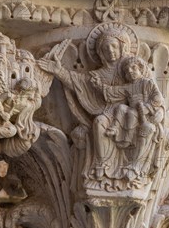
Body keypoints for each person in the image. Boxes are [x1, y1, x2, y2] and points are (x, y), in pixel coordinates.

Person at [38, 24, 135, 187]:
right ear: (101, 54)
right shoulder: (97, 75)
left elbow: (143, 89)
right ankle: (103, 164)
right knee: (99, 123)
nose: (110, 51)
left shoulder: (131, 68)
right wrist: (59, 71)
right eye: (106, 48)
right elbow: (78, 82)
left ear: (122, 47)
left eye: (114, 46)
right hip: (107, 113)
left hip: (128, 115)